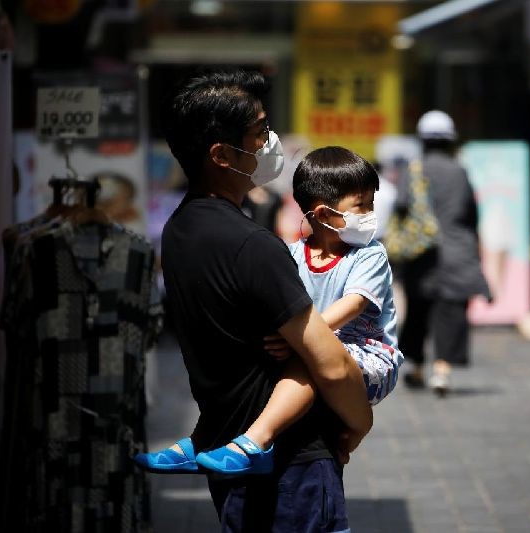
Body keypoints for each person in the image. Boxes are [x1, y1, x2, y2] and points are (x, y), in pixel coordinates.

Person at [139, 70, 373, 531]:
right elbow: (328, 363)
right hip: (293, 465)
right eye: (260, 132)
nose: (271, 143)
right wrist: (358, 424)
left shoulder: (180, 231)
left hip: (228, 454)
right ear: (222, 155)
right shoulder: (252, 245)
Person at [140, 145, 403, 477]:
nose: (369, 214)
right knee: (258, 363)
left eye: (370, 204)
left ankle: (255, 440)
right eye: (360, 205)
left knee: (311, 359)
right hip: (315, 348)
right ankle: (207, 438)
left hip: (371, 356)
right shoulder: (291, 254)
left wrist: (305, 338)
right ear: (322, 214)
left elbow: (355, 303)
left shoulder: (370, 254)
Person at [398, 110, 491, 397]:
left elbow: (400, 205)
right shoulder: (459, 171)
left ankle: (415, 367)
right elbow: (471, 213)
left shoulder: (412, 170)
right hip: (456, 252)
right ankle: (442, 370)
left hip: (421, 255)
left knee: (417, 311)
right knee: (451, 311)